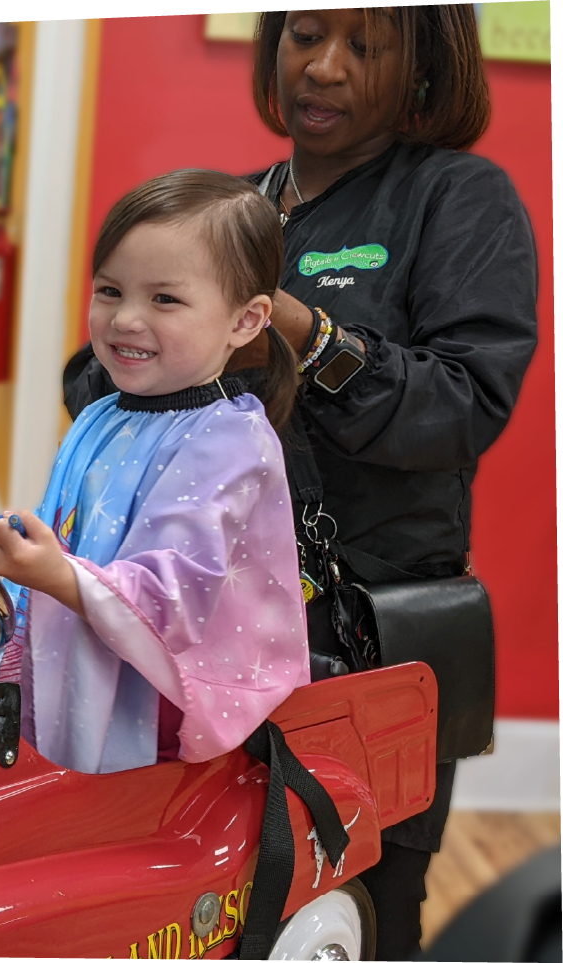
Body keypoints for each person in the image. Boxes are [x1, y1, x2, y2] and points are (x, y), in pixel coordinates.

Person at [63, 6, 538, 960]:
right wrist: (155, 338)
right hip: (201, 640)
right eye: (304, 35)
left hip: (365, 647)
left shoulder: (458, 199)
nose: (321, 68)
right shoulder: (226, 209)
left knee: (354, 913)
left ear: (422, 68)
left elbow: (460, 403)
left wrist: (297, 330)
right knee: (196, 904)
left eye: (364, 47)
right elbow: (96, 379)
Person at [0, 169, 311, 776]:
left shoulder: (230, 440)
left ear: (246, 321)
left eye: (164, 299)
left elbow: (177, 599)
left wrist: (58, 575)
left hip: (151, 716)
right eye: (110, 291)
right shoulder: (103, 412)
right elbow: (74, 528)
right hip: (74, 657)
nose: (126, 319)